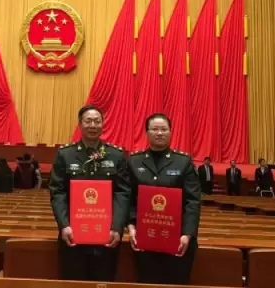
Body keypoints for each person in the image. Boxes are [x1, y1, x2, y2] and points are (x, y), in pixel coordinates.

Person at [48, 104, 130, 282]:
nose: (93, 125)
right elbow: (57, 192)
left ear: (102, 124)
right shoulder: (66, 154)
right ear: (80, 124)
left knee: (103, 281)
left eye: (97, 121)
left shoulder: (116, 155)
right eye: (88, 121)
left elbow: (122, 193)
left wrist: (117, 227)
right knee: (73, 281)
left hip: (107, 235)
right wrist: (64, 225)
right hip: (73, 234)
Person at [127, 113, 201, 285]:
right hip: (144, 238)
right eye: (155, 129)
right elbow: (129, 198)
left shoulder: (183, 162)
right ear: (147, 132)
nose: (159, 133)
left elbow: (192, 201)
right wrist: (131, 227)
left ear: (170, 132)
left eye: (164, 129)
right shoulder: (134, 161)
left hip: (178, 240)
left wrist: (187, 234)